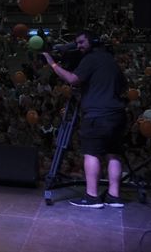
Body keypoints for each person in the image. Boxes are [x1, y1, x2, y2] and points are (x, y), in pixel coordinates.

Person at [43, 31, 127, 209]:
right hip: (116, 114)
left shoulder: (91, 59)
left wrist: (53, 63)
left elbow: (73, 79)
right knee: (113, 154)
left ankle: (92, 197)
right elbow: (122, 87)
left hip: (97, 115)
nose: (79, 46)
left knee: (91, 153)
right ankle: (114, 197)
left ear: (92, 41)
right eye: (77, 43)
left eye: (81, 42)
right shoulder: (110, 60)